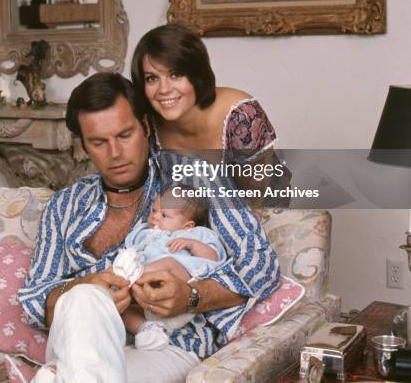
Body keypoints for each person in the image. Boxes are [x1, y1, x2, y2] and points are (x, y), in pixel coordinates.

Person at [18, 73, 280, 383]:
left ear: (145, 126)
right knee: (82, 297)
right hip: (80, 339)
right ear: (83, 146)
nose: (115, 153)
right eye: (99, 142)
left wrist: (192, 296)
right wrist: (81, 285)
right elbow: (34, 299)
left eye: (125, 135)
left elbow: (261, 265)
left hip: (168, 345)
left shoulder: (195, 177)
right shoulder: (65, 205)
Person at [130, 23, 291, 207]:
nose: (164, 89)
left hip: (254, 215)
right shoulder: (145, 125)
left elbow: (254, 203)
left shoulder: (242, 117)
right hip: (181, 222)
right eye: (152, 78)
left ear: (197, 75)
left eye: (175, 75)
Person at [114, 189, 227, 351]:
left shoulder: (196, 234)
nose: (155, 216)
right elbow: (131, 247)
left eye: (164, 215)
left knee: (169, 262)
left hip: (180, 293)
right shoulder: (145, 233)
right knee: (122, 310)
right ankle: (147, 331)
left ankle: (130, 275)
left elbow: (214, 257)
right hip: (146, 301)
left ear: (187, 225)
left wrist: (192, 244)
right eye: (154, 210)